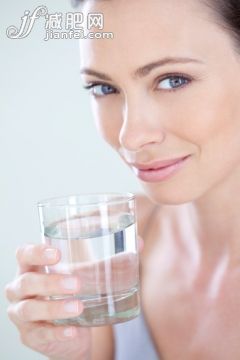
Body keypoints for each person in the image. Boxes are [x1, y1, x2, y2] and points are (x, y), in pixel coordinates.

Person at [5, 0, 240, 359]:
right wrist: (75, 353)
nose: (130, 136)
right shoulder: (118, 262)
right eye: (103, 88)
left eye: (173, 80)